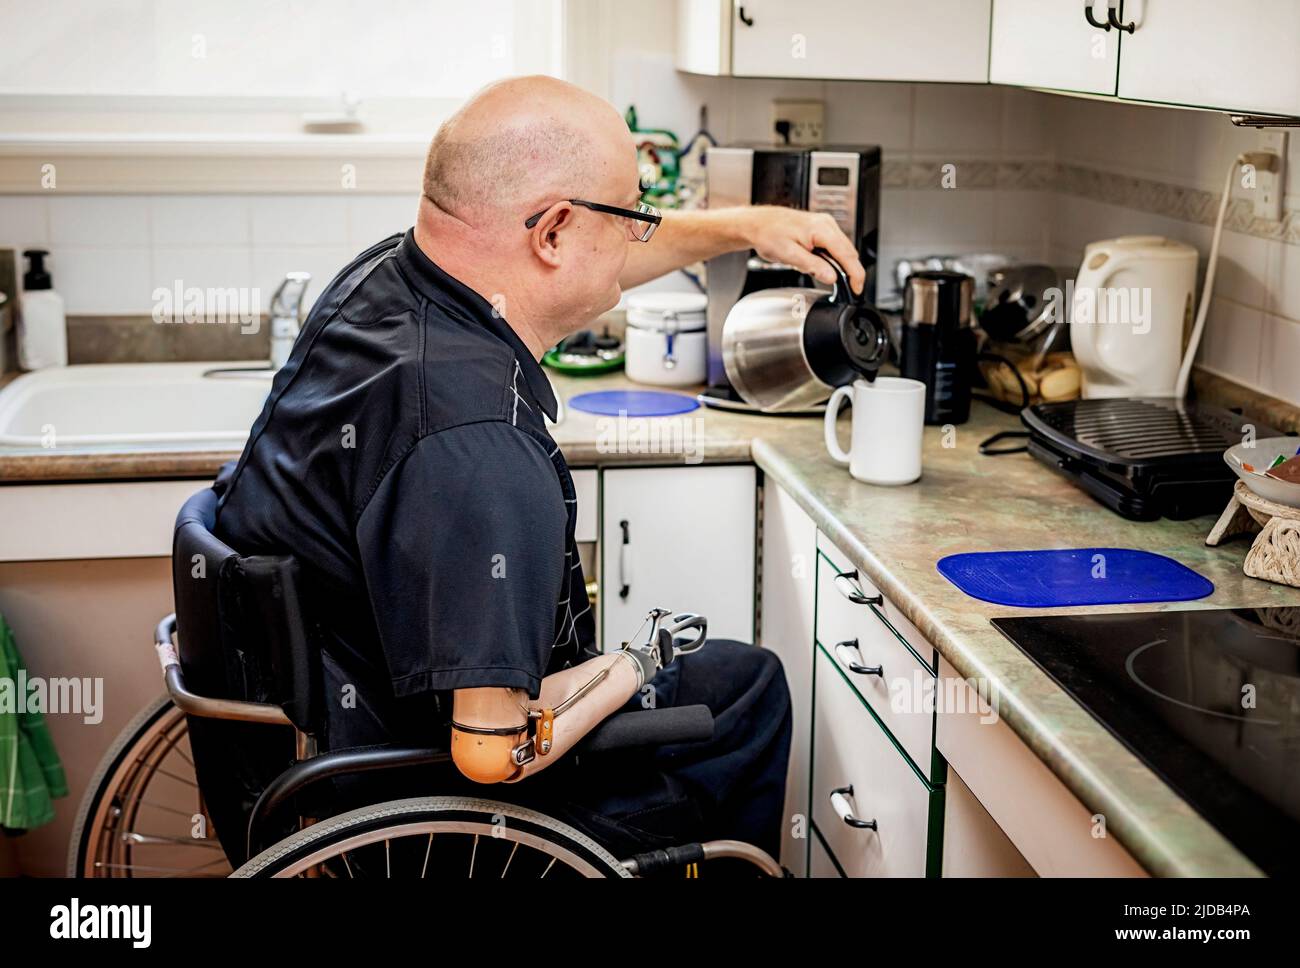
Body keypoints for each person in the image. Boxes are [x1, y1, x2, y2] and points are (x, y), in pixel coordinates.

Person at [212, 75, 866, 864]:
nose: (636, 239)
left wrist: (744, 227)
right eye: (629, 219)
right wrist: (637, 659)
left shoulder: (386, 281)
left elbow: (591, 256)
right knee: (747, 691)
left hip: (340, 750)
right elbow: (493, 751)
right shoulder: (478, 440)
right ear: (552, 234)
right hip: (452, 825)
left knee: (735, 678)